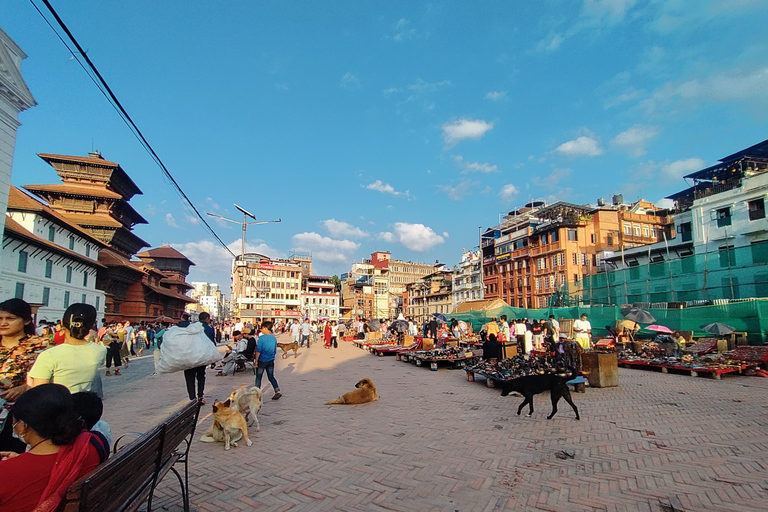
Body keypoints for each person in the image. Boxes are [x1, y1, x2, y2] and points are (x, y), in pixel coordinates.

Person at [0, 384, 109, 512]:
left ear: (23, 426)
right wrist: (20, 461)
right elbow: (49, 466)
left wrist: (16, 464)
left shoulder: (6, 472)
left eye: (15, 421)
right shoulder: (93, 443)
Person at [0, 299, 49, 453]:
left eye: (10, 319)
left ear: (27, 320)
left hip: (21, 415)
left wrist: (27, 388)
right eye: (0, 319)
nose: (4, 323)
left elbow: (55, 382)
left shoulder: (42, 347)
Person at [28, 304, 106, 393]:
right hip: (82, 402)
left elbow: (39, 392)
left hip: (58, 403)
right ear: (91, 325)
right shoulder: (100, 350)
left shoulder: (49, 355)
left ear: (61, 322)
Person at [183, 314, 212, 404]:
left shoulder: (189, 327)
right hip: (201, 357)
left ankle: (192, 398)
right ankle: (200, 396)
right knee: (201, 377)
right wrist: (212, 359)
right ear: (207, 318)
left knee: (189, 378)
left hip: (189, 356)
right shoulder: (209, 329)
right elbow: (211, 344)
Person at [255, 321, 281, 400]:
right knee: (271, 376)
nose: (261, 330)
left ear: (266, 328)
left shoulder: (262, 338)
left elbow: (258, 350)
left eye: (262, 328)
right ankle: (277, 390)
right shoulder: (273, 338)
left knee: (259, 377)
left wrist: (256, 361)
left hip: (262, 360)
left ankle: (257, 393)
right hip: (271, 360)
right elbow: (274, 350)